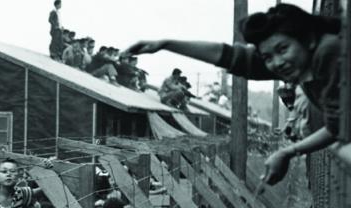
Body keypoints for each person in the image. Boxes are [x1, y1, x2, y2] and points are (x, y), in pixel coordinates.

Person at [125, 3, 345, 184]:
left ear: (308, 39)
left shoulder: (329, 52)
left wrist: (288, 152)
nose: (277, 62)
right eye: (268, 57)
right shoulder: (306, 58)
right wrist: (166, 44)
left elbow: (338, 128)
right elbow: (235, 58)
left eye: (283, 49)